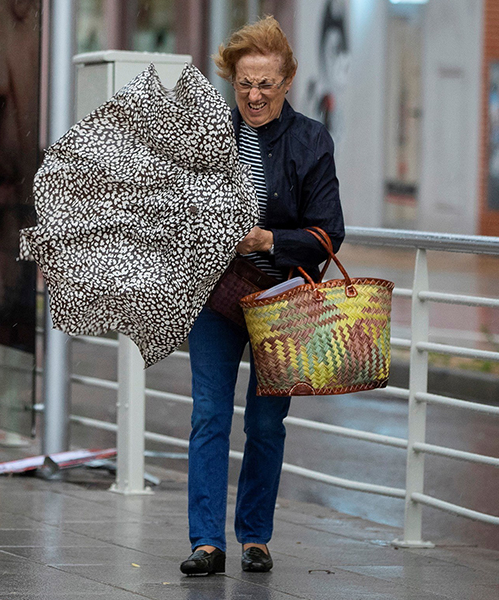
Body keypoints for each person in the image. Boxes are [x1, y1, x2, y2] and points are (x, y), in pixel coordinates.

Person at [180, 16, 345, 576]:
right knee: (208, 416)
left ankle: (254, 536)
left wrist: (271, 239)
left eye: (266, 85)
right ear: (232, 80)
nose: (253, 95)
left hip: (284, 302)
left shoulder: (310, 140)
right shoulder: (206, 137)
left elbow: (329, 232)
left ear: (287, 82)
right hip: (216, 295)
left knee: (267, 424)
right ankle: (206, 540)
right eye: (244, 83)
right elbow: (176, 214)